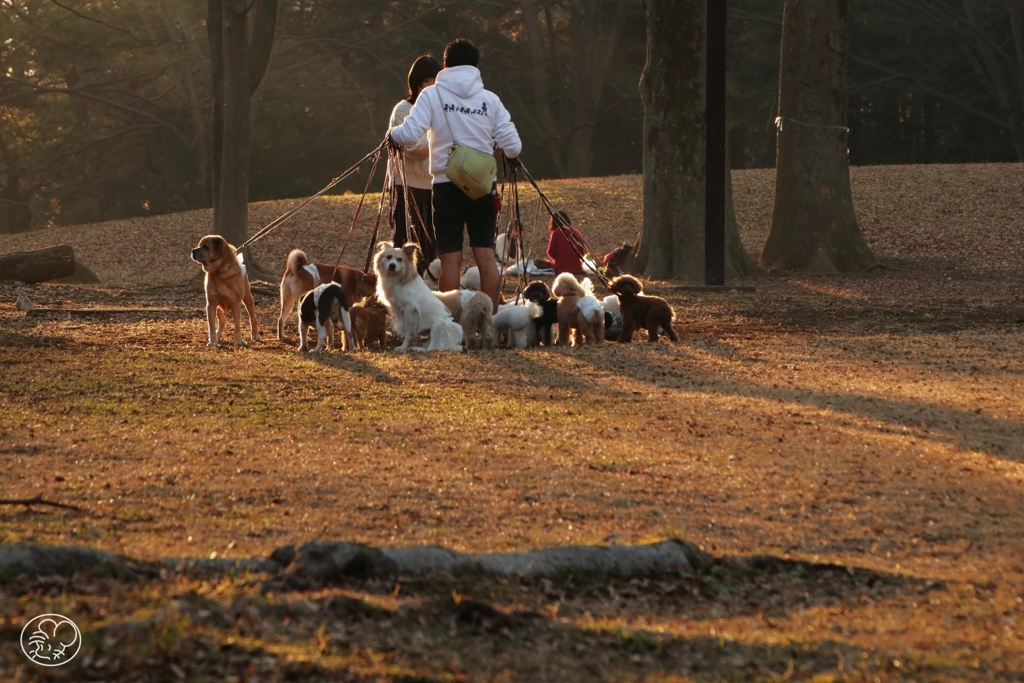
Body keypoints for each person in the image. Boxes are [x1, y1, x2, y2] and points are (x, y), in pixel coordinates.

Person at [387, 38, 522, 313]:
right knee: (485, 256)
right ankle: (491, 323)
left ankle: (450, 323)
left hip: (447, 185)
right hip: (484, 185)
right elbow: (514, 147)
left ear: (445, 65)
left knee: (450, 260)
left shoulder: (432, 95)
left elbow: (409, 134)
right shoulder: (490, 99)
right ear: (475, 66)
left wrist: (392, 134)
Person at [387, 55, 441, 273]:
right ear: (417, 82)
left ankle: (428, 288)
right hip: (408, 184)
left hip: (435, 185)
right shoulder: (403, 109)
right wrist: (441, 138)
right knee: (406, 242)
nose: (432, 86)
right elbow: (412, 149)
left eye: (436, 81)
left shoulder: (440, 110)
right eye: (428, 81)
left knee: (431, 244)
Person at [544, 210, 589, 275]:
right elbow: (584, 250)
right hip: (577, 268)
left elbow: (550, 252)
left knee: (544, 263)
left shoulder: (556, 233)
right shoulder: (576, 232)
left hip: (561, 268)